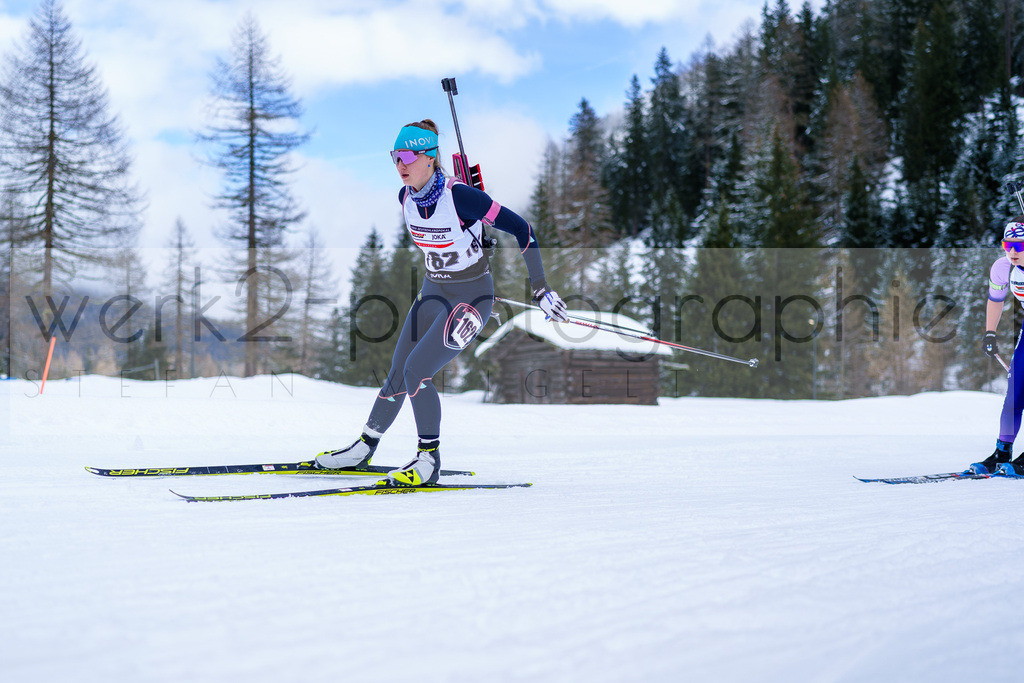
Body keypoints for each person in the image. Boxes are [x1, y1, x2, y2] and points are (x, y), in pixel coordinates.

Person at [316, 119, 568, 485]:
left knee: (418, 371)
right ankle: (365, 447)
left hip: (472, 298)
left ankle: (428, 460)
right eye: (394, 157)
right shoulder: (405, 198)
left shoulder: (462, 196)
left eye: (407, 156)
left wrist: (542, 289)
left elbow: (523, 229)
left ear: (430, 158)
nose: (400, 165)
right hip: (434, 292)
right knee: (399, 371)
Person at [973, 216, 1024, 474]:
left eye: (1020, 245)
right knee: (1015, 391)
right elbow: (995, 299)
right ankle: (1002, 451)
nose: (1013, 252)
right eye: (1008, 245)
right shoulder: (1002, 268)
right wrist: (989, 333)